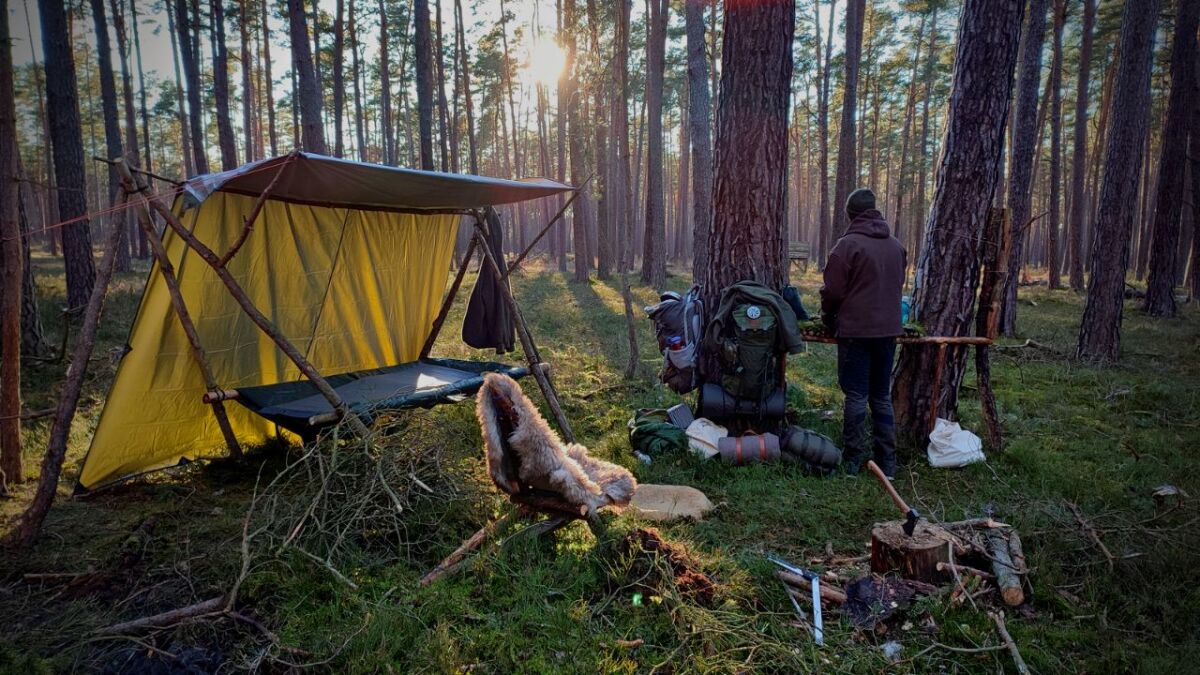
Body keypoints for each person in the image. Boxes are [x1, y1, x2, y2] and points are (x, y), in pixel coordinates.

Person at [819, 188, 906, 478]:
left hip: (856, 331)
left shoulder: (846, 246)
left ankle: (853, 462)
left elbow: (832, 291)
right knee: (881, 396)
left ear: (849, 213)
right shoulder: (896, 246)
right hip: (888, 333)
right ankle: (887, 463)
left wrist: (827, 316)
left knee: (856, 395)